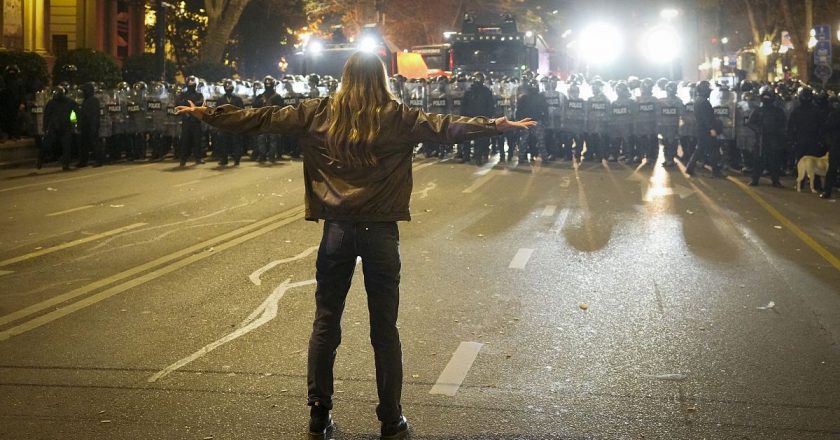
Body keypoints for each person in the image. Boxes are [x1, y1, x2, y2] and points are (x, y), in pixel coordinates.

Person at [176, 51, 535, 440]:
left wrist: (209, 113)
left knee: (326, 322)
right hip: (380, 233)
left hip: (337, 231)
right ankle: (391, 419)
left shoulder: (318, 112)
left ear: (345, 77)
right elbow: (446, 126)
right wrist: (495, 125)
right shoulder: (397, 116)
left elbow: (263, 119)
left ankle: (319, 414)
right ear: (381, 79)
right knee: (385, 329)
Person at [747, 86, 787, 187]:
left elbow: (783, 124)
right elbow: (750, 122)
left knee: (774, 160)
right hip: (761, 139)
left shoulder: (778, 111)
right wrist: (758, 130)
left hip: (774, 138)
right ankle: (755, 179)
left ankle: (775, 180)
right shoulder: (758, 111)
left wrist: (778, 132)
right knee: (758, 160)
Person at [685, 80, 724, 178]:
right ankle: (716, 172)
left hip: (701, 129)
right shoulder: (704, 102)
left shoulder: (698, 100)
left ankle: (690, 168)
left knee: (700, 149)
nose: (709, 92)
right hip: (706, 130)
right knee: (713, 150)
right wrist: (712, 128)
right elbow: (707, 117)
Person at [41, 86, 79, 170]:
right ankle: (41, 159)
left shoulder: (55, 102)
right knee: (63, 146)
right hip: (58, 126)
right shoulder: (67, 102)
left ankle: (64, 164)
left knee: (65, 146)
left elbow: (46, 116)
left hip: (59, 126)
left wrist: (45, 127)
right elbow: (77, 111)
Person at [176, 76, 205, 166]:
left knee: (197, 140)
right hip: (187, 119)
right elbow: (179, 103)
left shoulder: (199, 95)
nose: (191, 85)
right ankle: (183, 159)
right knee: (185, 140)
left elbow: (200, 104)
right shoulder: (182, 94)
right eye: (190, 83)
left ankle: (198, 158)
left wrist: (189, 105)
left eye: (193, 83)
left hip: (196, 120)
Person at [78, 82, 103, 167]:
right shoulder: (86, 100)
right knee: (83, 144)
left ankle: (99, 160)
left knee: (94, 143)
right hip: (85, 125)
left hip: (91, 125)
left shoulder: (93, 100)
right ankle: (83, 161)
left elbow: (94, 115)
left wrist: (93, 126)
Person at [820, 96, 840, 199]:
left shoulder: (834, 114)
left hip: (835, 145)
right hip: (836, 145)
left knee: (832, 169)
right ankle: (827, 190)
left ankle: (827, 191)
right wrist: (830, 142)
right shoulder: (835, 114)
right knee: (832, 169)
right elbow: (827, 129)